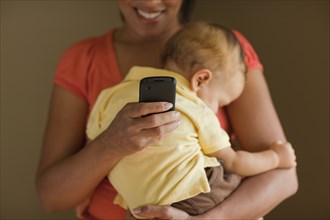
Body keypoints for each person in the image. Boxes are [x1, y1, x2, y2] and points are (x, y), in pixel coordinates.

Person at [35, 0, 298, 219]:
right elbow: (52, 197)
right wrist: (110, 144)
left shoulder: (224, 54)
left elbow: (284, 178)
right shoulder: (84, 59)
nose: (150, 1)